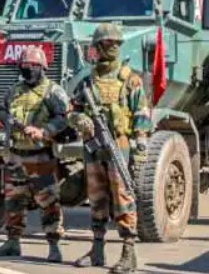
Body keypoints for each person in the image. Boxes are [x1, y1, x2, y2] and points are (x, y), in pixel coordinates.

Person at [69, 23, 150, 274]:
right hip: (93, 147)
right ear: (98, 47)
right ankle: (97, 249)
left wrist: (140, 146)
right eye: (108, 43)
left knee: (123, 198)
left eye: (117, 43)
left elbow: (142, 115)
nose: (113, 47)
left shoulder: (130, 79)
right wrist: (77, 119)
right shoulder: (87, 81)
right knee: (96, 198)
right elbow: (72, 110)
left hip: (119, 144)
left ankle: (129, 252)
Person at [0, 46, 71, 263]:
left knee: (48, 202)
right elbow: (2, 112)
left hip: (40, 157)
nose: (29, 69)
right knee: (13, 201)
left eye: (34, 65)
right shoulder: (14, 91)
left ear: (42, 67)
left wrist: (43, 131)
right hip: (15, 156)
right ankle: (12, 242)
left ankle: (54, 245)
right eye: (25, 65)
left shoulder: (52, 91)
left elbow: (63, 119)